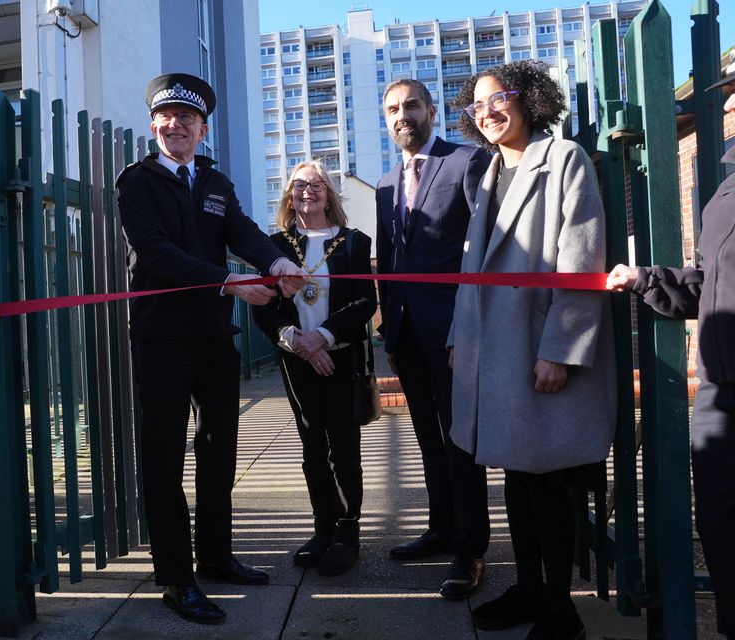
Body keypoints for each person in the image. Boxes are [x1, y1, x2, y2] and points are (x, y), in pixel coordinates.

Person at [115, 73, 305, 625]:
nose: (177, 126)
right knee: (164, 459)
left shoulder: (215, 182)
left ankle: (217, 558)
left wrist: (277, 263)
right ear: (155, 126)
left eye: (188, 119)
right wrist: (227, 283)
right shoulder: (137, 182)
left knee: (218, 453)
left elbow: (243, 231)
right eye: (167, 118)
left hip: (215, 339)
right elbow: (154, 252)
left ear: (202, 128)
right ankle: (176, 579)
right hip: (162, 340)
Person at [448, 60, 615, 640]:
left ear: (530, 100)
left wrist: (562, 349)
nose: (489, 111)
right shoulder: (489, 171)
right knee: (516, 477)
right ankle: (526, 589)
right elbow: (476, 263)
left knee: (549, 481)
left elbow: (581, 256)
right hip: (491, 347)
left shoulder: (563, 158)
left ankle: (560, 609)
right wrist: (456, 339)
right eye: (477, 104)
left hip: (537, 344)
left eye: (501, 98)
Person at [606, 55, 735, 640]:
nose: (732, 105)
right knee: (722, 526)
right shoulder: (729, 183)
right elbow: (713, 282)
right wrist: (646, 279)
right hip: (722, 391)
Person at [375, 77, 491, 600]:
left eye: (411, 106)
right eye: (393, 109)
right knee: (428, 439)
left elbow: (482, 250)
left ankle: (471, 550)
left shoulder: (466, 162)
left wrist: (467, 326)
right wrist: (387, 328)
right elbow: (390, 262)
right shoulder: (383, 185)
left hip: (453, 335)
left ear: (431, 110)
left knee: (460, 442)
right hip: (405, 334)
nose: (403, 115)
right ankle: (441, 527)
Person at [252, 161, 376, 577]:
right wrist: (297, 341)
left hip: (339, 356)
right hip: (297, 358)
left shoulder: (355, 242)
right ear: (289, 196)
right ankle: (322, 528)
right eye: (299, 185)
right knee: (311, 446)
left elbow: (364, 302)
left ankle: (347, 533)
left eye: (317, 184)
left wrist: (321, 336)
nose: (309, 190)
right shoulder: (274, 246)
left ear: (330, 193)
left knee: (343, 446)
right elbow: (264, 307)